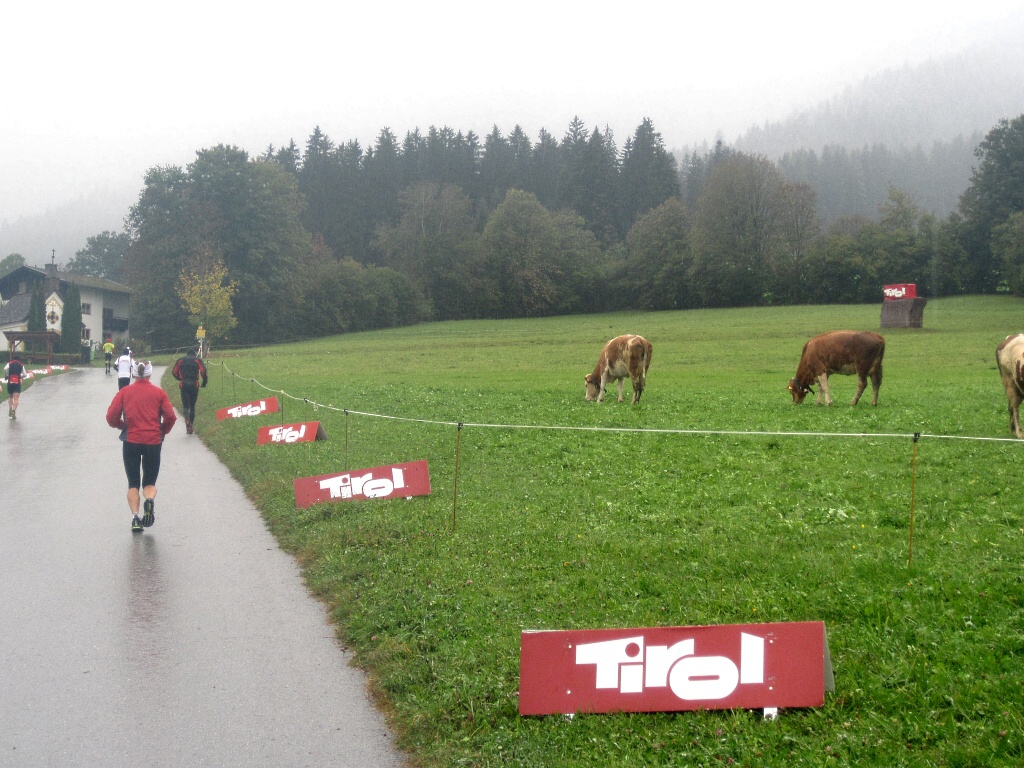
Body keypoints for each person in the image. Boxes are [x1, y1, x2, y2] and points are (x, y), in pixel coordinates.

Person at [106, 360, 176, 532]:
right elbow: (171, 417)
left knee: (133, 483)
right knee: (149, 482)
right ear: (150, 374)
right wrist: (162, 432)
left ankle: (136, 518)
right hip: (153, 441)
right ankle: (150, 500)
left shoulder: (125, 392)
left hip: (131, 441)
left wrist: (121, 425)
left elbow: (111, 416)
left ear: (134, 374)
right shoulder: (159, 393)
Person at [171, 348, 208, 434]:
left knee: (185, 405)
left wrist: (180, 378)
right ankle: (190, 424)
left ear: (187, 354)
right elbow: (203, 371)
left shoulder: (181, 360)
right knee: (192, 405)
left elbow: (174, 371)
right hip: (194, 384)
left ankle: (186, 419)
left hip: (183, 384)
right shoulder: (197, 360)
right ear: (194, 354)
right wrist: (204, 382)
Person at [4, 353, 26, 419]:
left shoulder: (9, 364)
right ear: (19, 359)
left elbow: (5, 369)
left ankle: (10, 409)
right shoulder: (21, 365)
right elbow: (25, 374)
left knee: (10, 396)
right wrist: (20, 376)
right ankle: (13, 412)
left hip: (10, 382)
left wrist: (6, 376)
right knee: (16, 398)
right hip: (17, 382)